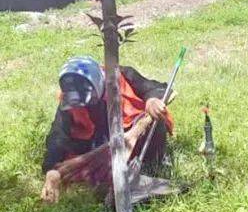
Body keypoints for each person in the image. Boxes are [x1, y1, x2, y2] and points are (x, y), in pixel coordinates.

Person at [41, 56, 173, 203]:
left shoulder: (123, 76)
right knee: (77, 165)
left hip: (132, 134)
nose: (84, 106)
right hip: (98, 144)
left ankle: (151, 163)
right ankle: (106, 175)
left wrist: (152, 100)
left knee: (156, 121)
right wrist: (51, 170)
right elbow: (58, 135)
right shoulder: (70, 99)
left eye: (88, 101)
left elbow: (158, 88)